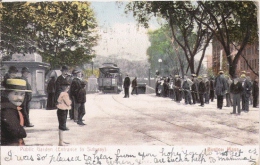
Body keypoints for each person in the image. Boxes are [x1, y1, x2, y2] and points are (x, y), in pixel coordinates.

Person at [1, 79, 31, 145]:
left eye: (22, 94)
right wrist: (22, 132)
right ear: (6, 94)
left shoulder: (11, 108)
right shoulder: (7, 110)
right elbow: (15, 130)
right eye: (15, 94)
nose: (19, 98)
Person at [56, 80, 71, 146]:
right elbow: (68, 103)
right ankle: (60, 142)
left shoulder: (61, 93)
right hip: (63, 110)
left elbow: (58, 100)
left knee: (61, 125)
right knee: (62, 126)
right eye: (68, 87)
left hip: (60, 109)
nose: (68, 88)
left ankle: (61, 140)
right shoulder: (65, 94)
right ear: (66, 87)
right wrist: (70, 102)